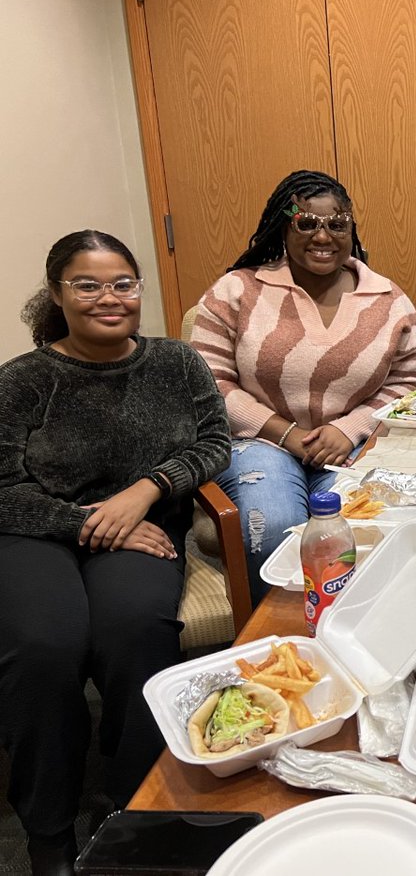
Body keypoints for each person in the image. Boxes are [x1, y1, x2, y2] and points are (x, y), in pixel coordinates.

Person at [0, 231, 230, 875]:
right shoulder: (24, 381)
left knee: (135, 631)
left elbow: (214, 444)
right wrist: (96, 521)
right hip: (37, 533)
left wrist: (147, 490)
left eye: (123, 283)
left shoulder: (176, 363)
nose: (109, 298)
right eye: (88, 285)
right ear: (56, 294)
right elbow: (1, 487)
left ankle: (131, 806)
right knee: (43, 647)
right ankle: (47, 832)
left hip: (144, 526)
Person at [190, 170, 416, 604]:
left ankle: (348, 626)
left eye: (337, 224)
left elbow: (407, 381)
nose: (324, 235)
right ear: (284, 225)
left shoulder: (389, 300)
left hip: (349, 443)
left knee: (371, 524)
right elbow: (206, 382)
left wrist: (350, 428)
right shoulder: (238, 290)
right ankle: (281, 636)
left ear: (351, 230)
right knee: (277, 524)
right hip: (257, 442)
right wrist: (286, 434)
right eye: (307, 223)